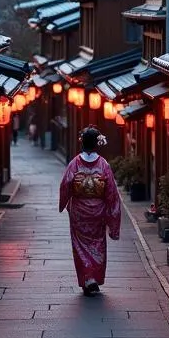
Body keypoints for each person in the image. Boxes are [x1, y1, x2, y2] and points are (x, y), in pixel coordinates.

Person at [58, 125, 122, 296]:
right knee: (98, 244)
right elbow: (111, 192)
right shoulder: (103, 164)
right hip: (98, 212)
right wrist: (112, 216)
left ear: (82, 142)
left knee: (80, 245)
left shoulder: (75, 163)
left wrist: (63, 203)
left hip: (79, 211)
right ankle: (93, 277)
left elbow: (65, 185)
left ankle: (88, 278)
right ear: (96, 143)